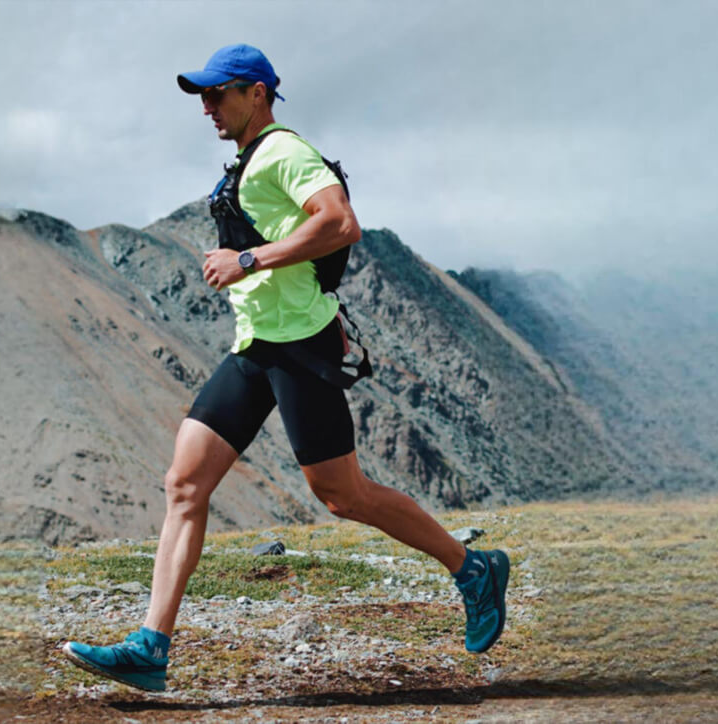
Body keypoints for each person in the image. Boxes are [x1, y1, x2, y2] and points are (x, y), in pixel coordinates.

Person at [62, 44, 509, 693]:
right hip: (256, 347)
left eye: (218, 94)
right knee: (185, 484)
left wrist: (247, 261)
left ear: (258, 93)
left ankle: (472, 568)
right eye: (203, 97)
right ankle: (150, 648)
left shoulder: (283, 152)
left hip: (301, 347)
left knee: (343, 496)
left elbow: (341, 223)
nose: (208, 107)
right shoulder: (248, 161)